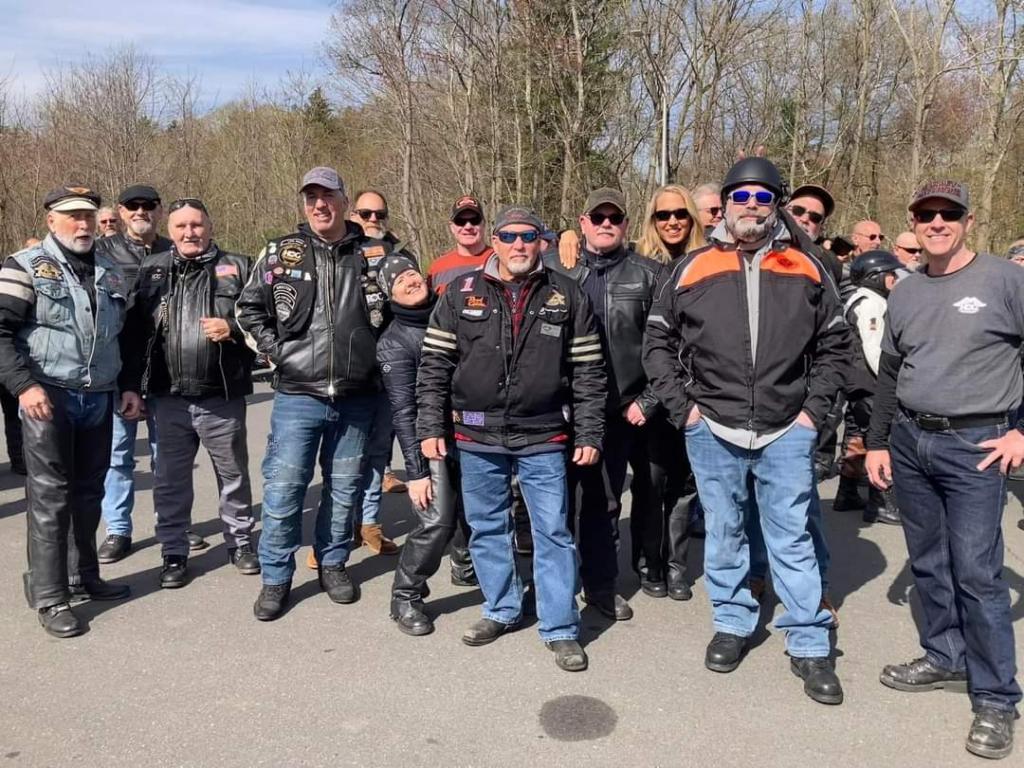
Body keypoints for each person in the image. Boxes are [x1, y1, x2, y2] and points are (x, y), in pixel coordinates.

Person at [643, 157, 850, 705]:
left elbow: (836, 345)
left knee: (791, 537)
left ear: (776, 204)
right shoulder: (692, 267)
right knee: (726, 532)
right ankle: (733, 621)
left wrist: (813, 416)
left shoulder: (806, 264)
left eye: (763, 198)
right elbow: (657, 342)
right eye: (742, 197)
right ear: (726, 205)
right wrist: (684, 410)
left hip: (786, 428)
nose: (751, 207)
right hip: (712, 425)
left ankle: (808, 641)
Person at [866, 181, 1022, 760]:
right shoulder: (905, 290)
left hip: (978, 442)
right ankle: (945, 655)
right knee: (928, 560)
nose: (937, 222)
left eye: (948, 214)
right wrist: (877, 443)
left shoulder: (1005, 280)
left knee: (977, 572)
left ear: (967, 221)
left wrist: (1021, 432)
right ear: (913, 221)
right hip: (911, 440)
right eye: (926, 214)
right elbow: (890, 372)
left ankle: (996, 697)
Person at [417, 205, 606, 673]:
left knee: (552, 532)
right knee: (486, 527)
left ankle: (560, 627)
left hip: (544, 433)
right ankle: (501, 608)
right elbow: (435, 366)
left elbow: (588, 371)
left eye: (527, 236)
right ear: (495, 241)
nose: (518, 244)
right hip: (476, 432)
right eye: (508, 236)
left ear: (541, 241)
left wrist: (590, 430)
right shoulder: (460, 291)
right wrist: (430, 426)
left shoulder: (567, 293)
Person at [237, 166, 384, 621]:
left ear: (344, 201)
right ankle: (275, 578)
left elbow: (403, 310)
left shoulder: (374, 253)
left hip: (357, 395)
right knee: (284, 490)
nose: (320, 205)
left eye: (328, 195)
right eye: (311, 197)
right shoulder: (280, 252)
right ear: (304, 204)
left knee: (344, 489)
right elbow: (248, 309)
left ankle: (333, 563)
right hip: (298, 394)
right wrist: (278, 353)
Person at [0, 185, 134, 637]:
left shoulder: (111, 270)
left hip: (97, 396)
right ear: (51, 220)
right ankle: (50, 595)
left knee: (88, 492)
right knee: (50, 499)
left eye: (88, 216)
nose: (83, 224)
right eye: (73, 215)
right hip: (47, 397)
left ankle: (83, 575)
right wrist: (24, 386)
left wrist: (128, 387)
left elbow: (124, 337)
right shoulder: (24, 266)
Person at [119, 198, 259, 588]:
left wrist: (233, 328)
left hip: (221, 395)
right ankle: (173, 552)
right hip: (167, 397)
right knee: (170, 481)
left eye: (196, 225)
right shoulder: (151, 270)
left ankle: (240, 543)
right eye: (181, 226)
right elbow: (133, 335)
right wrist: (131, 386)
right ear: (170, 230)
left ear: (210, 226)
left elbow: (265, 321)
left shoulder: (239, 267)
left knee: (233, 476)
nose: (189, 233)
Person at [547, 187, 668, 614]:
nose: (605, 224)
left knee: (604, 502)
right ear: (582, 223)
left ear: (626, 225)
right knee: (553, 505)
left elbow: (674, 345)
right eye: (596, 217)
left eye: (614, 218)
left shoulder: (650, 274)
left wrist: (648, 400)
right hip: (557, 409)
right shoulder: (554, 268)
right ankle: (552, 589)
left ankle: (600, 585)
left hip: (619, 409)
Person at [95, 184, 200, 563]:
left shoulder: (175, 249)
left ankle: (172, 523)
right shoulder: (101, 252)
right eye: (132, 206)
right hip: (117, 369)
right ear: (121, 211)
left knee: (168, 456)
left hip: (166, 370)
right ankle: (118, 529)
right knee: (118, 455)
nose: (140, 212)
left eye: (148, 205)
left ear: (159, 210)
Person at [376, 254, 475, 635]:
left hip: (472, 430)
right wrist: (416, 473)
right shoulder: (394, 342)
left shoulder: (452, 313)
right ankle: (406, 595)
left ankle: (465, 565)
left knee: (475, 509)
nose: (409, 281)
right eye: (398, 280)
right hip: (429, 440)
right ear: (390, 293)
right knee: (437, 519)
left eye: (412, 273)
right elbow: (403, 412)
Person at [841, 250, 903, 525]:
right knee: (880, 440)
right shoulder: (871, 304)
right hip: (871, 384)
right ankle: (882, 502)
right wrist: (892, 381)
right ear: (875, 277)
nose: (895, 279)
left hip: (858, 383)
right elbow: (875, 349)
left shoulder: (860, 299)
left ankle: (847, 492)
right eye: (891, 274)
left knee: (856, 438)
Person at [427, 195, 493, 292]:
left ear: (483, 224)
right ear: (452, 227)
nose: (468, 226)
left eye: (474, 220)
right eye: (460, 221)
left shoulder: (499, 260)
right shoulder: (437, 269)